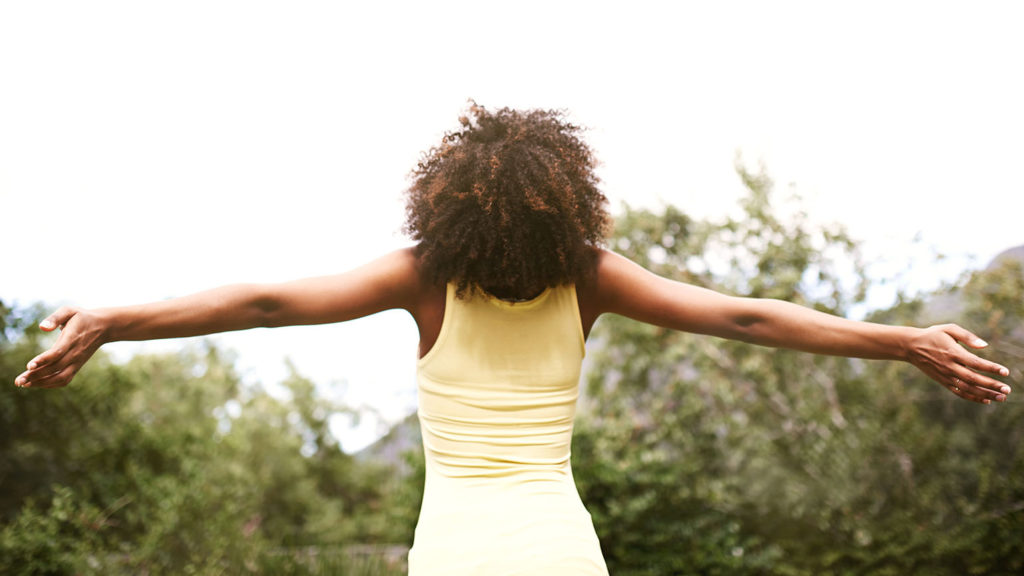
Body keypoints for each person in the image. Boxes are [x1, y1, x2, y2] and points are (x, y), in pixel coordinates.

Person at [13, 104, 1012, 575]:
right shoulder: (585, 274)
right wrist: (898, 340)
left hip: (454, 544)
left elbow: (273, 304)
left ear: (449, 218)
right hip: (556, 541)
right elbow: (743, 316)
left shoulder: (423, 277)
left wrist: (116, 321)